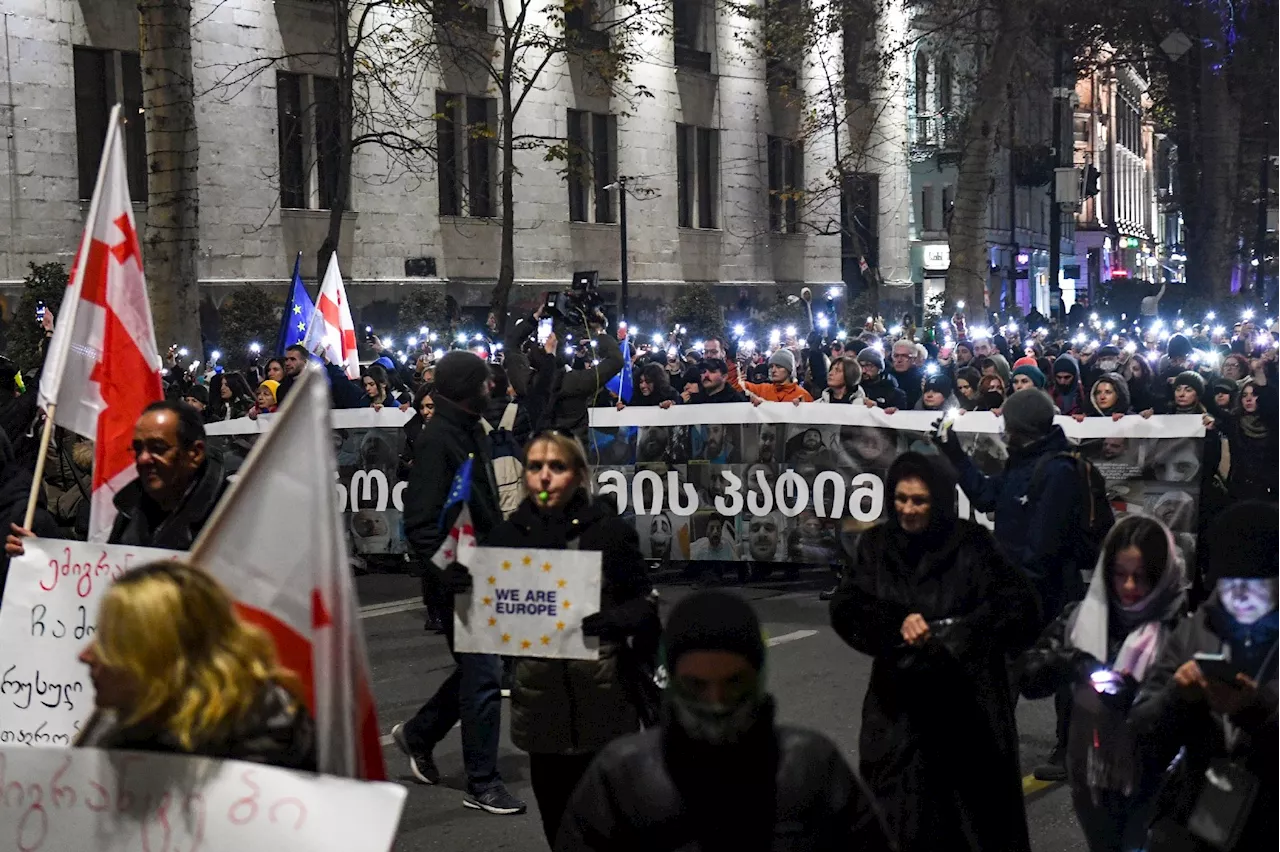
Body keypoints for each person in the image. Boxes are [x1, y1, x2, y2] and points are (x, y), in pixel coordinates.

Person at [557, 589, 896, 852]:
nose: (716, 703)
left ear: (758, 678)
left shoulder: (811, 767)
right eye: (697, 686)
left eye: (734, 683)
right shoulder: (620, 777)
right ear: (672, 681)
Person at [830, 452, 1039, 852]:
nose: (907, 509)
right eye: (901, 498)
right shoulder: (877, 546)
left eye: (919, 501)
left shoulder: (974, 545)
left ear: (939, 500)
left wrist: (959, 633)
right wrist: (895, 623)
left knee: (972, 831)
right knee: (897, 825)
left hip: (968, 714)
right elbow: (847, 606)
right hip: (898, 714)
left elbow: (1020, 607)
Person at [489, 431, 654, 847]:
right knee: (560, 830)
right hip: (541, 712)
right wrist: (462, 589)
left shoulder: (608, 534)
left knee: (612, 830)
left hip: (605, 704)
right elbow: (488, 624)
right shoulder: (510, 538)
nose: (544, 477)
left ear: (579, 475)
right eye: (535, 467)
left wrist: (612, 620)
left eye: (557, 467)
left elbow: (645, 605)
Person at [936, 388, 1097, 780]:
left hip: (1050, 591)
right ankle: (990, 746)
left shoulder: (1058, 470)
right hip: (1016, 588)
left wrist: (1014, 588)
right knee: (999, 669)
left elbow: (1045, 546)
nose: (1002, 429)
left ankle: (1068, 751)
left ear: (1021, 427)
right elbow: (988, 498)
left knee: (1060, 672)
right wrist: (952, 452)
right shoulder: (1022, 461)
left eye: (1007, 422)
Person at [395, 351, 525, 815]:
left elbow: (479, 505)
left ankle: (418, 734)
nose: (493, 389)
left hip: (483, 572)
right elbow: (422, 523)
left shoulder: (470, 432)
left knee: (479, 672)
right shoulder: (438, 441)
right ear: (468, 388)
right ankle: (483, 782)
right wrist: (454, 576)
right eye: (486, 383)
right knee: (486, 676)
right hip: (462, 581)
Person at [1019, 516, 1187, 852]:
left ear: (1161, 575)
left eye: (1139, 577)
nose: (1127, 587)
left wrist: (1142, 696)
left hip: (1159, 780)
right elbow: (1029, 677)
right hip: (1091, 775)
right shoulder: (1080, 617)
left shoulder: (1181, 627)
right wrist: (1073, 662)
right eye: (1118, 575)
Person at [1132, 502, 1280, 852]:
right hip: (1198, 821)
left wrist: (1257, 712)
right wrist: (1177, 699)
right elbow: (1138, 745)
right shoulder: (1193, 632)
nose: (1242, 600)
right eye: (1231, 586)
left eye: (1257, 587)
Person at [75, 561, 316, 770]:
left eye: (112, 642)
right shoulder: (125, 737)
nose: (85, 656)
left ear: (164, 656)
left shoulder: (269, 759)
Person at [743, 349, 813, 403]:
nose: (773, 370)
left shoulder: (803, 395)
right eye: (771, 366)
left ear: (789, 369)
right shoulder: (762, 389)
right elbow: (738, 386)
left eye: (779, 366)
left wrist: (803, 409)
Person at [888, 339, 925, 408]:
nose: (899, 360)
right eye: (896, 356)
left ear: (913, 359)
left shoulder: (922, 379)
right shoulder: (886, 377)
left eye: (904, 356)